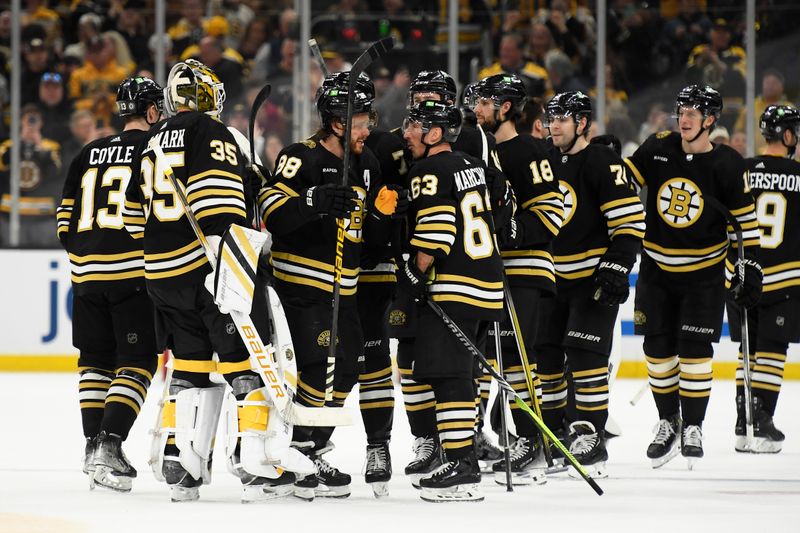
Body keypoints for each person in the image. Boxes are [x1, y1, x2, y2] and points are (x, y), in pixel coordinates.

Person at [124, 60, 301, 503]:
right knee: (245, 359)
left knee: (190, 361)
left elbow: (130, 220)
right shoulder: (212, 132)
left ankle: (182, 465)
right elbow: (218, 210)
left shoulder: (149, 142)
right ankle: (254, 461)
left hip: (160, 273)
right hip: (207, 267)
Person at [258, 71, 400, 500]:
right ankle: (298, 453)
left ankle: (310, 447)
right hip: (300, 286)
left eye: (370, 119)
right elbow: (271, 210)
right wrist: (312, 201)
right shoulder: (300, 156)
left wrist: (383, 219)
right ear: (336, 122)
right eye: (360, 121)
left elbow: (371, 239)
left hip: (347, 289)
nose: (368, 129)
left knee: (350, 368)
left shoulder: (368, 164)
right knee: (318, 367)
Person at [624, 84, 761, 469]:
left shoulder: (729, 165)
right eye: (681, 111)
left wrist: (748, 269)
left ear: (710, 119)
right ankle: (669, 421)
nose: (683, 118)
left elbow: (745, 228)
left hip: (703, 274)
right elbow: (622, 181)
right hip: (655, 269)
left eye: (692, 113)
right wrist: (604, 160)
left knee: (696, 351)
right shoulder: (657, 147)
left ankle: (693, 426)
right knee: (656, 349)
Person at [56, 77, 162, 492]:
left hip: (84, 274)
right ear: (152, 112)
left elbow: (64, 218)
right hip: (131, 272)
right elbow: (159, 212)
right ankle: (111, 444)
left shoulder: (87, 151)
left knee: (95, 360)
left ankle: (92, 447)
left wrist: (85, 251)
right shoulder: (152, 149)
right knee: (137, 361)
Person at [399, 99, 505, 502]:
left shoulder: (427, 170)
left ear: (435, 133)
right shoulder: (471, 166)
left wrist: (413, 274)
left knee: (450, 376)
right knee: (459, 373)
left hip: (455, 285)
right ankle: (461, 458)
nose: (406, 133)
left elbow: (438, 231)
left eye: (414, 127)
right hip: (486, 283)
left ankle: (461, 464)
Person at [536, 92, 644, 478]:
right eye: (552, 119)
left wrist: (617, 265)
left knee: (585, 358)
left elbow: (630, 222)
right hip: (549, 279)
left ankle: (590, 435)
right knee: (546, 360)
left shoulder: (601, 161)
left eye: (563, 119)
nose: (555, 126)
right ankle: (555, 434)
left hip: (591, 278)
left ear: (582, 124)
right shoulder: (544, 160)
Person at [471, 73, 564, 485]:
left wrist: (514, 231)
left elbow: (553, 212)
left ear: (505, 107)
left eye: (485, 102)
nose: (476, 108)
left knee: (518, 361)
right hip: (491, 270)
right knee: (493, 360)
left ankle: (533, 441)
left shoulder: (528, 150)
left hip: (525, 270)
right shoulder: (478, 149)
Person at [728, 104, 800, 453]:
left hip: (744, 276)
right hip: (785, 279)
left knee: (748, 349)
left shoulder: (741, 171)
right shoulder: (799, 176)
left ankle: (744, 423)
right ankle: (763, 419)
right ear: (787, 135)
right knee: (772, 351)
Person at [0, 103, 62, 247]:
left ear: (41, 123)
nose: (32, 123)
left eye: (35, 120)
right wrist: (20, 143)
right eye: (28, 119)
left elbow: (56, 171)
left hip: (43, 214)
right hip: (11, 214)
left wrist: (39, 147)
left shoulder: (51, 146)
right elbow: (2, 164)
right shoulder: (8, 145)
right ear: (21, 121)